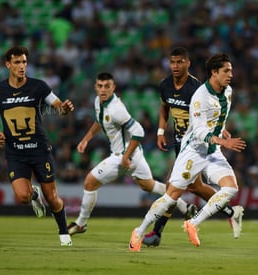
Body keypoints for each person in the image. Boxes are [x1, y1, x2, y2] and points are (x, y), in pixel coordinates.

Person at [129, 53, 247, 251]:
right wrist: (221, 140)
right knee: (171, 196)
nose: (230, 75)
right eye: (226, 71)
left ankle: (193, 223)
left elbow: (219, 117)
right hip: (193, 151)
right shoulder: (200, 96)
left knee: (231, 188)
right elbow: (199, 130)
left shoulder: (228, 91)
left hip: (212, 151)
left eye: (231, 71)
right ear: (214, 73)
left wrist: (221, 131)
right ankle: (139, 232)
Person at [67, 72, 195, 235]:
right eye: (100, 86)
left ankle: (80, 224)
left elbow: (139, 131)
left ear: (113, 87)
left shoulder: (116, 109)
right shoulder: (98, 102)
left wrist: (125, 158)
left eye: (107, 86)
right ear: (95, 87)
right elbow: (100, 121)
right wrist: (86, 139)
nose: (103, 89)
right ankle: (186, 207)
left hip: (123, 155)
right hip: (135, 154)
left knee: (89, 183)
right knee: (149, 185)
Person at [0, 46, 74, 246]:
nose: (22, 66)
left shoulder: (39, 86)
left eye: (24, 62)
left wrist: (64, 108)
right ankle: (33, 194)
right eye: (17, 62)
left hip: (39, 150)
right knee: (23, 197)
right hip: (15, 152)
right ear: (8, 65)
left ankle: (63, 231)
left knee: (53, 197)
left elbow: (57, 105)